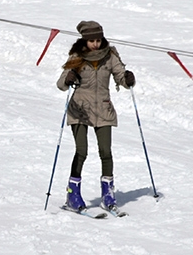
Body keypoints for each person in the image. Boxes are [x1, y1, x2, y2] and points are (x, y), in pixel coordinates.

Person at [56, 20, 136, 215]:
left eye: (99, 40)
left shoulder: (110, 56)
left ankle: (108, 194)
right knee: (81, 151)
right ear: (85, 40)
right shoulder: (77, 57)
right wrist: (68, 79)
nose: (96, 44)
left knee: (105, 151)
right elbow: (61, 84)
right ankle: (72, 195)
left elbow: (119, 76)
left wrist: (127, 79)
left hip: (103, 109)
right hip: (79, 109)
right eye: (92, 41)